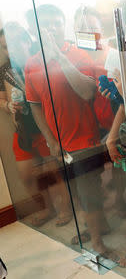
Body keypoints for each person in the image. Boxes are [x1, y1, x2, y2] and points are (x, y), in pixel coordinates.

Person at [25, 4, 116, 261]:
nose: (51, 28)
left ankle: (97, 242)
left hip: (86, 140)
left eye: (56, 23)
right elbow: (35, 107)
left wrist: (60, 57)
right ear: (34, 29)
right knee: (77, 191)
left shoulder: (77, 54)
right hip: (59, 144)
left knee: (89, 193)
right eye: (45, 24)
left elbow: (88, 92)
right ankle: (99, 227)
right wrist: (51, 140)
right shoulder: (32, 63)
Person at [0, 22, 72, 228]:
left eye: (11, 45)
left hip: (44, 127)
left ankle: (66, 209)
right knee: (26, 174)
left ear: (24, 41)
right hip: (22, 129)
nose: (8, 51)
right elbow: (1, 98)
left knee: (53, 171)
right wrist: (8, 105)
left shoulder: (40, 61)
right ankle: (46, 208)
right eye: (4, 48)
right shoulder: (4, 70)